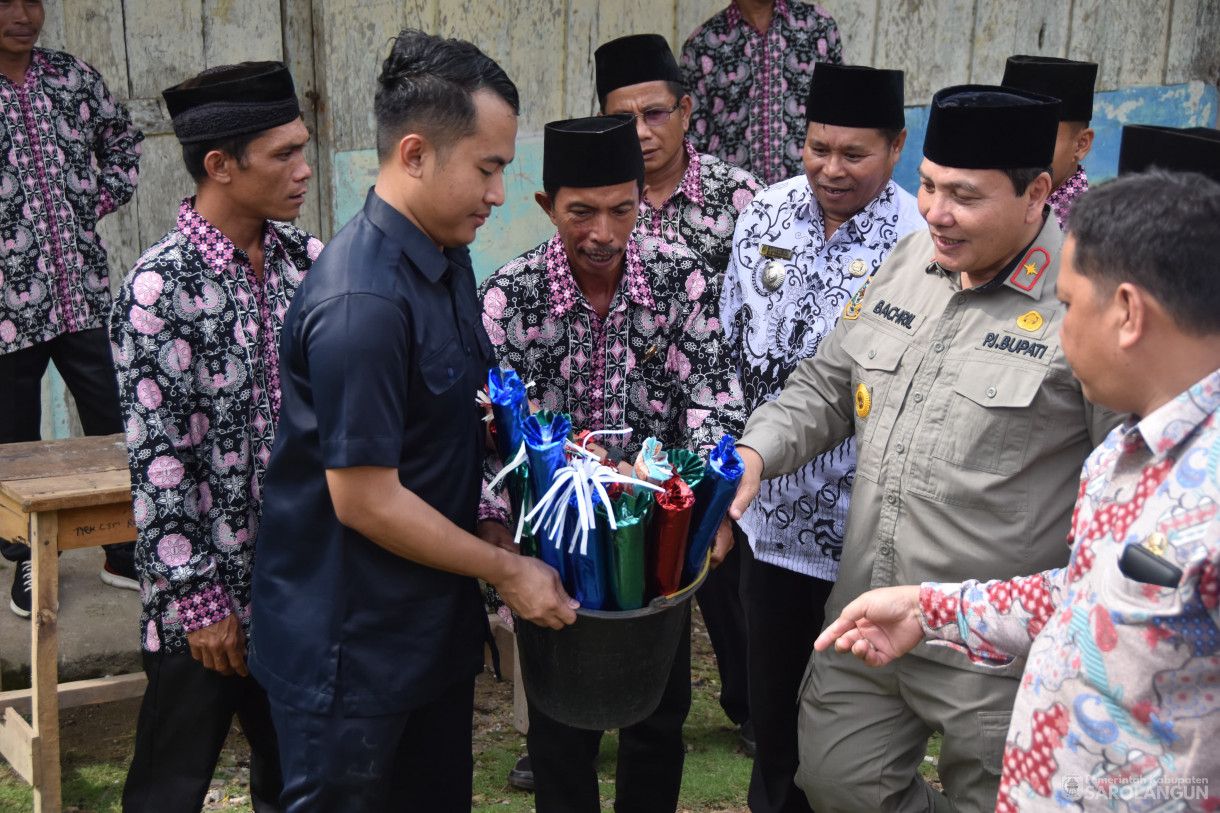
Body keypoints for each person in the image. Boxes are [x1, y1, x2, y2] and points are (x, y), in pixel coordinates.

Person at [726, 85, 1120, 813]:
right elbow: (828, 385)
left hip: (995, 644)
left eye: (964, 196)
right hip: (869, 609)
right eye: (930, 186)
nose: (936, 211)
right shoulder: (911, 262)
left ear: (1037, 193)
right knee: (837, 778)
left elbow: (1123, 485)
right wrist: (755, 454)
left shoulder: (1081, 304)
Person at [813, 167, 1220, 812]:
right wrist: (930, 610)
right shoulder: (1126, 454)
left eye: (1067, 305)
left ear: (1127, 313)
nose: (1056, 335)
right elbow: (1088, 596)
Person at [246, 30, 576, 813]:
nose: (500, 192)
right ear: (417, 154)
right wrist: (506, 570)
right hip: (350, 653)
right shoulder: (362, 300)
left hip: (426, 632)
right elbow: (364, 498)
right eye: (488, 167)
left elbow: (452, 420)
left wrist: (495, 523)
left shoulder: (444, 253)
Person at [477, 114, 746, 813]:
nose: (603, 231)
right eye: (581, 211)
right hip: (555, 546)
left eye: (622, 209)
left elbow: (713, 399)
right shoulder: (509, 297)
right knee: (561, 729)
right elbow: (483, 437)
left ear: (640, 200)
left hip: (659, 537)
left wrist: (710, 511)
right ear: (546, 205)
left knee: (659, 714)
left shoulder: (678, 277)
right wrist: (498, 541)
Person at [111, 60, 319, 813]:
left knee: (296, 781)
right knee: (169, 786)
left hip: (298, 592)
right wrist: (200, 601)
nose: (303, 170)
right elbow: (159, 463)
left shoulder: (313, 267)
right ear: (219, 166)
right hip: (203, 606)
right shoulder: (157, 290)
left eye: (303, 147)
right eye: (283, 155)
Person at [721, 62, 924, 813]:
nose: (831, 170)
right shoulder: (765, 217)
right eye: (817, 148)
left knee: (848, 733)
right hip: (768, 519)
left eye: (854, 154)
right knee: (771, 721)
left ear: (897, 146)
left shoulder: (920, 242)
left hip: (863, 533)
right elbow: (732, 342)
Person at [596, 29, 759, 749]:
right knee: (612, 579)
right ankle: (580, 719)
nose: (641, 131)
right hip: (620, 426)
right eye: (623, 114)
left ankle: (750, 706)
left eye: (656, 112)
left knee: (724, 573)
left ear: (688, 110)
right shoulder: (598, 198)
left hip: (709, 419)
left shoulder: (742, 199)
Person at [0, 0, 142, 616]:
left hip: (81, 290)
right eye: (7, 2)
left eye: (32, 1)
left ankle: (122, 550)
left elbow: (122, 143)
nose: (22, 14)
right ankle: (30, 557)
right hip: (5, 303)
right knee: (16, 438)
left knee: (112, 417)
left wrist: (89, 203)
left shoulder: (71, 77)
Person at [681, 0, 843, 186]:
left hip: (807, 192)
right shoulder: (703, 43)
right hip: (733, 195)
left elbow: (838, 114)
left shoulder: (819, 26)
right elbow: (694, 137)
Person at [1001, 55, 1098, 228]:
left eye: (1039, 136)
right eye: (1010, 134)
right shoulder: (992, 203)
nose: (1021, 150)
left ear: (1081, 144)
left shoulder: (1089, 233)